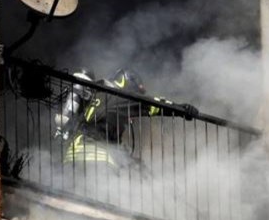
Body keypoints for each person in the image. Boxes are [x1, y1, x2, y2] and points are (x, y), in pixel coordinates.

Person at [55, 67, 199, 170]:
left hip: (71, 158)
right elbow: (152, 105)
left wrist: (133, 163)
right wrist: (181, 109)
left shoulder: (97, 96)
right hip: (97, 162)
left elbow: (104, 137)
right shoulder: (119, 98)